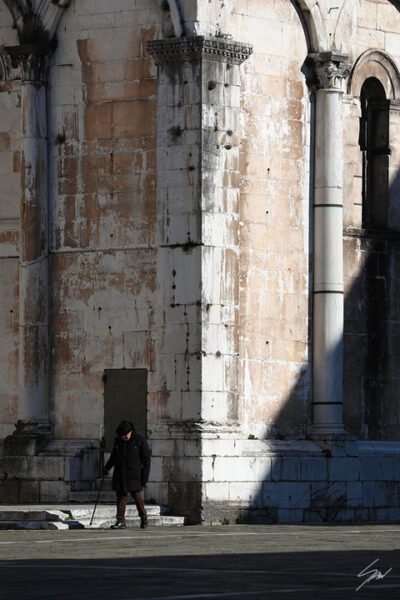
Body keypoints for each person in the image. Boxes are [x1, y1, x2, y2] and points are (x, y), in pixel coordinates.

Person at [103, 420, 151, 530]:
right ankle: (120, 521)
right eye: (122, 435)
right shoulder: (118, 441)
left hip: (134, 474)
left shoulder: (140, 440)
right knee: (121, 497)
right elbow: (113, 457)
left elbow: (146, 460)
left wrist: (145, 477)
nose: (124, 437)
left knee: (137, 497)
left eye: (126, 435)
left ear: (130, 432)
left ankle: (144, 517)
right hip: (120, 474)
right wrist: (106, 468)